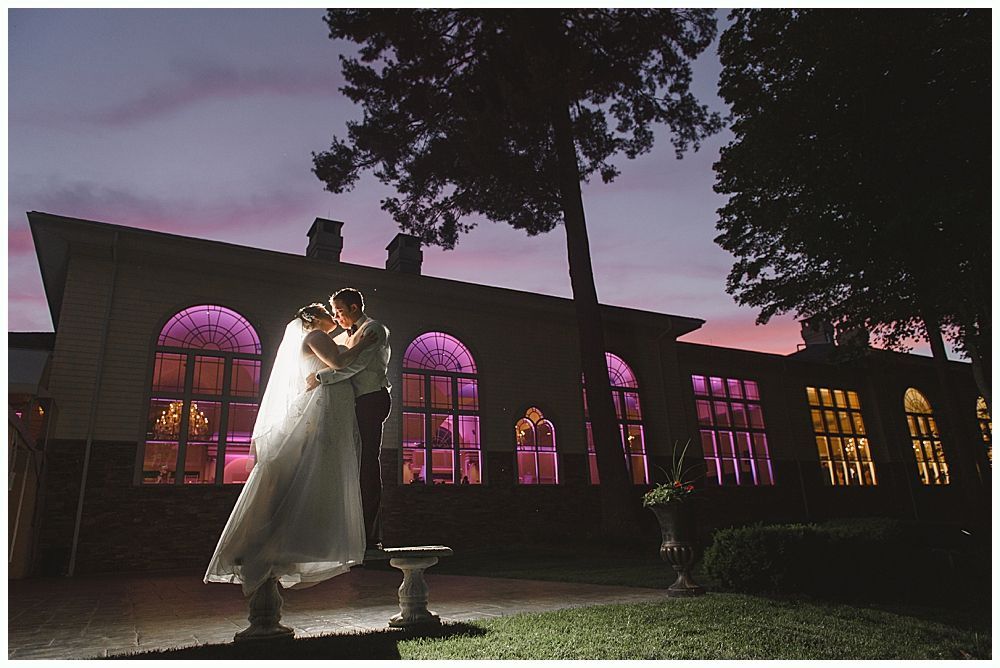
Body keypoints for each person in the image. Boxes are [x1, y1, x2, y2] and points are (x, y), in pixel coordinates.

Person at [204, 303, 375, 596]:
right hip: (322, 405)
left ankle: (293, 542)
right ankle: (276, 544)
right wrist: (365, 344)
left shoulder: (321, 338)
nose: (333, 317)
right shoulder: (315, 336)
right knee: (308, 470)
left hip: (329, 404)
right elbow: (338, 363)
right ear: (314, 318)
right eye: (327, 313)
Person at [307, 288, 390, 554]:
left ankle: (370, 535)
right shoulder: (344, 336)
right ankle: (349, 531)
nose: (336, 317)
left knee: (367, 463)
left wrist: (320, 378)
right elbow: (337, 360)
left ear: (354, 308)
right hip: (352, 403)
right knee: (350, 464)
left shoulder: (374, 329)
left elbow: (356, 365)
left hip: (371, 398)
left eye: (340, 311)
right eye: (334, 312)